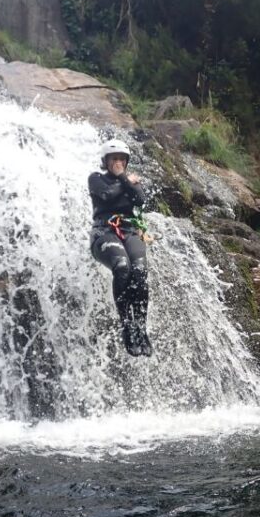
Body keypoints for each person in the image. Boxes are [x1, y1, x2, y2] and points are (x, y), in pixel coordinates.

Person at [89, 139, 153, 357]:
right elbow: (106, 195)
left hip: (130, 231)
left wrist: (125, 179)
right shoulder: (96, 179)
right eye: (114, 159)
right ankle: (126, 324)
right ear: (106, 161)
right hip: (103, 233)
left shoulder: (130, 182)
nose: (118, 163)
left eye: (121, 160)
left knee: (139, 270)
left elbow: (140, 200)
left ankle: (141, 327)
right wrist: (124, 179)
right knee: (122, 266)